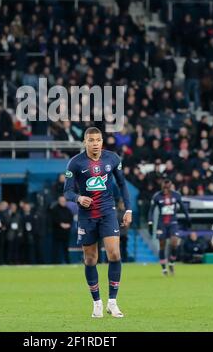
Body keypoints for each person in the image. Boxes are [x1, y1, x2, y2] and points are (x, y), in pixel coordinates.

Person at [64, 127, 132, 319]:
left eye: (98, 140)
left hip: (107, 212)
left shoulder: (112, 159)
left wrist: (128, 209)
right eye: (92, 140)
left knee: (114, 253)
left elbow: (122, 184)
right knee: (91, 259)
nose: (95, 144)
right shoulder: (75, 163)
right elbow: (67, 191)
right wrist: (78, 198)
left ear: (102, 141)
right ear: (85, 142)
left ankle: (113, 302)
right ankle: (97, 303)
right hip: (87, 215)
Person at [148, 178, 191, 276]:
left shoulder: (176, 195)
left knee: (174, 241)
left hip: (173, 222)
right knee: (162, 244)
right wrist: (150, 222)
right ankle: (164, 269)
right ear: (162, 186)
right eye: (164, 187)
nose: (166, 189)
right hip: (161, 223)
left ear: (170, 186)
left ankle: (171, 262)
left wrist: (188, 218)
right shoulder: (157, 196)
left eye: (168, 187)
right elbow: (151, 210)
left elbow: (183, 207)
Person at [51, 195, 73, 264]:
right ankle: (55, 262)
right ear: (59, 201)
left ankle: (67, 262)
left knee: (66, 249)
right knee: (56, 249)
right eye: (61, 201)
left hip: (66, 233)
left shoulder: (68, 210)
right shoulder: (54, 209)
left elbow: (71, 219)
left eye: (64, 201)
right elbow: (53, 219)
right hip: (57, 233)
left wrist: (68, 224)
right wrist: (60, 224)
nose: (63, 202)